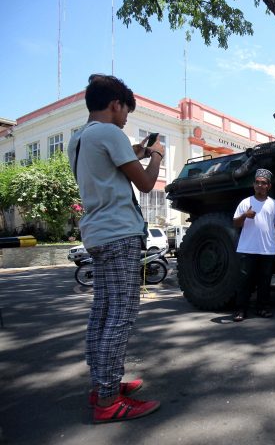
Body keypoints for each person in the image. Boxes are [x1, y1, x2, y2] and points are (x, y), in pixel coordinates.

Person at [68, 74, 164, 423]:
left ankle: (102, 385)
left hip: (96, 234)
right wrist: (155, 155)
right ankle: (108, 401)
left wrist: (137, 150)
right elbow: (146, 181)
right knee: (121, 316)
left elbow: (115, 164)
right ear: (115, 104)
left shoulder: (79, 139)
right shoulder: (110, 133)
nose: (126, 118)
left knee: (103, 313)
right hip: (119, 234)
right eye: (126, 111)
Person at [231, 169, 275, 322]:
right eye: (257, 183)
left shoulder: (274, 205)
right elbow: (235, 223)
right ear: (253, 185)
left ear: (268, 186)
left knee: (265, 282)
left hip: (267, 250)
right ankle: (240, 310)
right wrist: (245, 215)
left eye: (263, 183)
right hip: (247, 249)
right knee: (244, 282)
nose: (260, 185)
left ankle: (263, 308)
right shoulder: (245, 203)